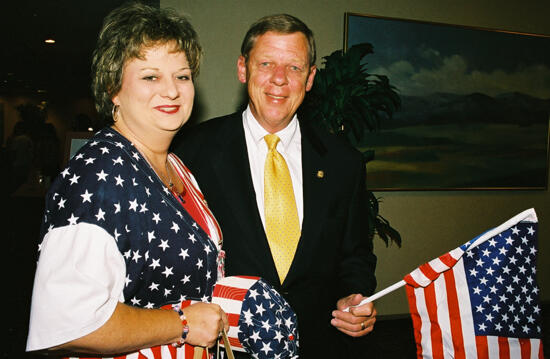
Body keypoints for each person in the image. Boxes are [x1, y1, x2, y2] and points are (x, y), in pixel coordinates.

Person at [26, 3, 228, 358]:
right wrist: (182, 324)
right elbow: (68, 322)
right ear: (113, 90)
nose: (172, 91)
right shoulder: (96, 175)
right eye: (151, 77)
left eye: (182, 76)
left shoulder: (177, 166)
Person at [175, 14, 377, 358]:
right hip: (226, 347)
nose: (279, 79)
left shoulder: (344, 162)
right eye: (266, 63)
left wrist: (356, 297)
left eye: (295, 68)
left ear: (310, 78)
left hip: (318, 344)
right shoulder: (190, 154)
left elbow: (355, 254)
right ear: (243, 69)